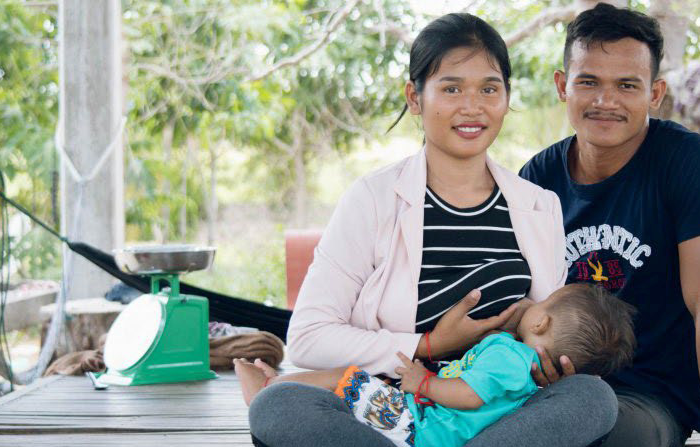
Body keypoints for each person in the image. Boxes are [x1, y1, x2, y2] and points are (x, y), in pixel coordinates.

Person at [246, 13, 619, 447]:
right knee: (277, 405)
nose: (472, 106)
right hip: (390, 413)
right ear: (415, 97)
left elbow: (545, 326)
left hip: (493, 418)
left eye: (489, 88)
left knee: (592, 396)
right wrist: (427, 344)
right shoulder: (372, 199)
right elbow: (309, 339)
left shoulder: (539, 206)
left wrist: (549, 362)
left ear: (506, 97)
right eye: (452, 87)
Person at [516, 4, 700, 447]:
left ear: (655, 93)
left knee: (600, 429)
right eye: (589, 82)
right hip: (544, 390)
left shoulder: (688, 163)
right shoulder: (538, 178)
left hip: (647, 400)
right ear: (563, 86)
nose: (606, 101)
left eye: (626, 85)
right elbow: (522, 303)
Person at [235, 283, 636, 447]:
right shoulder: (513, 358)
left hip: (415, 421)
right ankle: (274, 396)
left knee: (344, 380)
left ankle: (269, 390)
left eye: (543, 302)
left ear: (541, 321)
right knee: (299, 406)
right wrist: (429, 344)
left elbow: (468, 394)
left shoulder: (508, 353)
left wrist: (422, 381)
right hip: (429, 421)